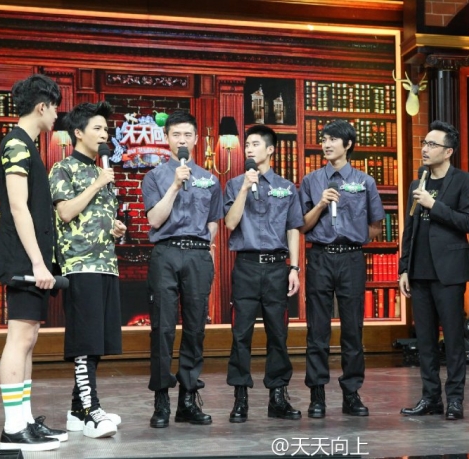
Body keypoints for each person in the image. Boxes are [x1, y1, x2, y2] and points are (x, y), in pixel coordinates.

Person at [0, 74, 66, 451]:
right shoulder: (18, 144)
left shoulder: (26, 145)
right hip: (25, 258)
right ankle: (13, 427)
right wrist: (37, 262)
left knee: (29, 338)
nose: (56, 116)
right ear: (41, 107)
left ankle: (24, 419)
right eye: (55, 108)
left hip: (26, 253)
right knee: (19, 338)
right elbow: (18, 206)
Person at [48, 101, 126, 438]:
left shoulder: (103, 172)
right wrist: (96, 184)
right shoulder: (62, 169)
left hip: (106, 264)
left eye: (106, 129)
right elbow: (66, 213)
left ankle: (77, 412)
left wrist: (117, 228)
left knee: (96, 341)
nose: (104, 134)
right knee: (84, 341)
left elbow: (100, 218)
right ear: (78, 133)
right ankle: (92, 411)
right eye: (97, 128)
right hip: (79, 265)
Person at [141, 110, 223, 428]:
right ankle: (161, 401)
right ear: (166, 139)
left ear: (196, 139)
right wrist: (175, 186)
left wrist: (204, 248)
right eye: (176, 134)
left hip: (198, 256)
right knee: (162, 328)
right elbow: (154, 219)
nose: (182, 140)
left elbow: (213, 222)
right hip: (166, 252)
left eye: (188, 135)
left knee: (195, 328)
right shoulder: (154, 177)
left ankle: (188, 400)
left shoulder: (210, 179)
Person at [299, 119, 385, 418]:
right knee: (317, 330)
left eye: (333, 139)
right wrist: (321, 204)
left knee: (353, 329)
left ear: (348, 144)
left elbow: (376, 226)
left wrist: (353, 236)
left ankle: (352, 393)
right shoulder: (311, 181)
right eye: (324, 139)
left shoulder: (365, 181)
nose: (326, 144)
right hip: (320, 257)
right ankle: (317, 395)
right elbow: (302, 225)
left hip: (351, 259)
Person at [398, 121, 469, 421]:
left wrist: (434, 205)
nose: (425, 149)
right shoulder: (417, 182)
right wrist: (403, 268)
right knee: (425, 341)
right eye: (425, 143)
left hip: (449, 272)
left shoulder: (465, 181)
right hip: (419, 271)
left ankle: (455, 400)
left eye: (432, 144)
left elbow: (467, 222)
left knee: (453, 339)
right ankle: (430, 397)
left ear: (448, 151)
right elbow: (409, 227)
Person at [224, 125, 304, 423]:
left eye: (255, 144)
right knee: (240, 334)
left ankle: (278, 397)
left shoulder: (286, 187)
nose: (249, 149)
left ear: (270, 150)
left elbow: (293, 228)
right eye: (247, 144)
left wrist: (294, 267)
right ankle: (240, 398)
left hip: (276, 268)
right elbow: (230, 223)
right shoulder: (234, 184)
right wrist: (245, 187)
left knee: (278, 335)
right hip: (246, 266)